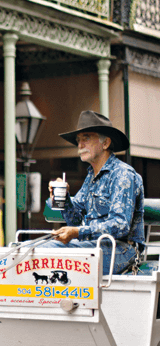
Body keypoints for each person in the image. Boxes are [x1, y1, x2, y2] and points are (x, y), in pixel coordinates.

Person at [48, 110, 145, 275]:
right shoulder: (91, 177)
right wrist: (64, 199)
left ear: (105, 143)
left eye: (86, 138)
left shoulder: (122, 174)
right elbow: (75, 219)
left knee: (50, 250)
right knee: (31, 249)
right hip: (96, 246)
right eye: (78, 140)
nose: (79, 145)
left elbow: (120, 225)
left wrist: (78, 232)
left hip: (121, 250)